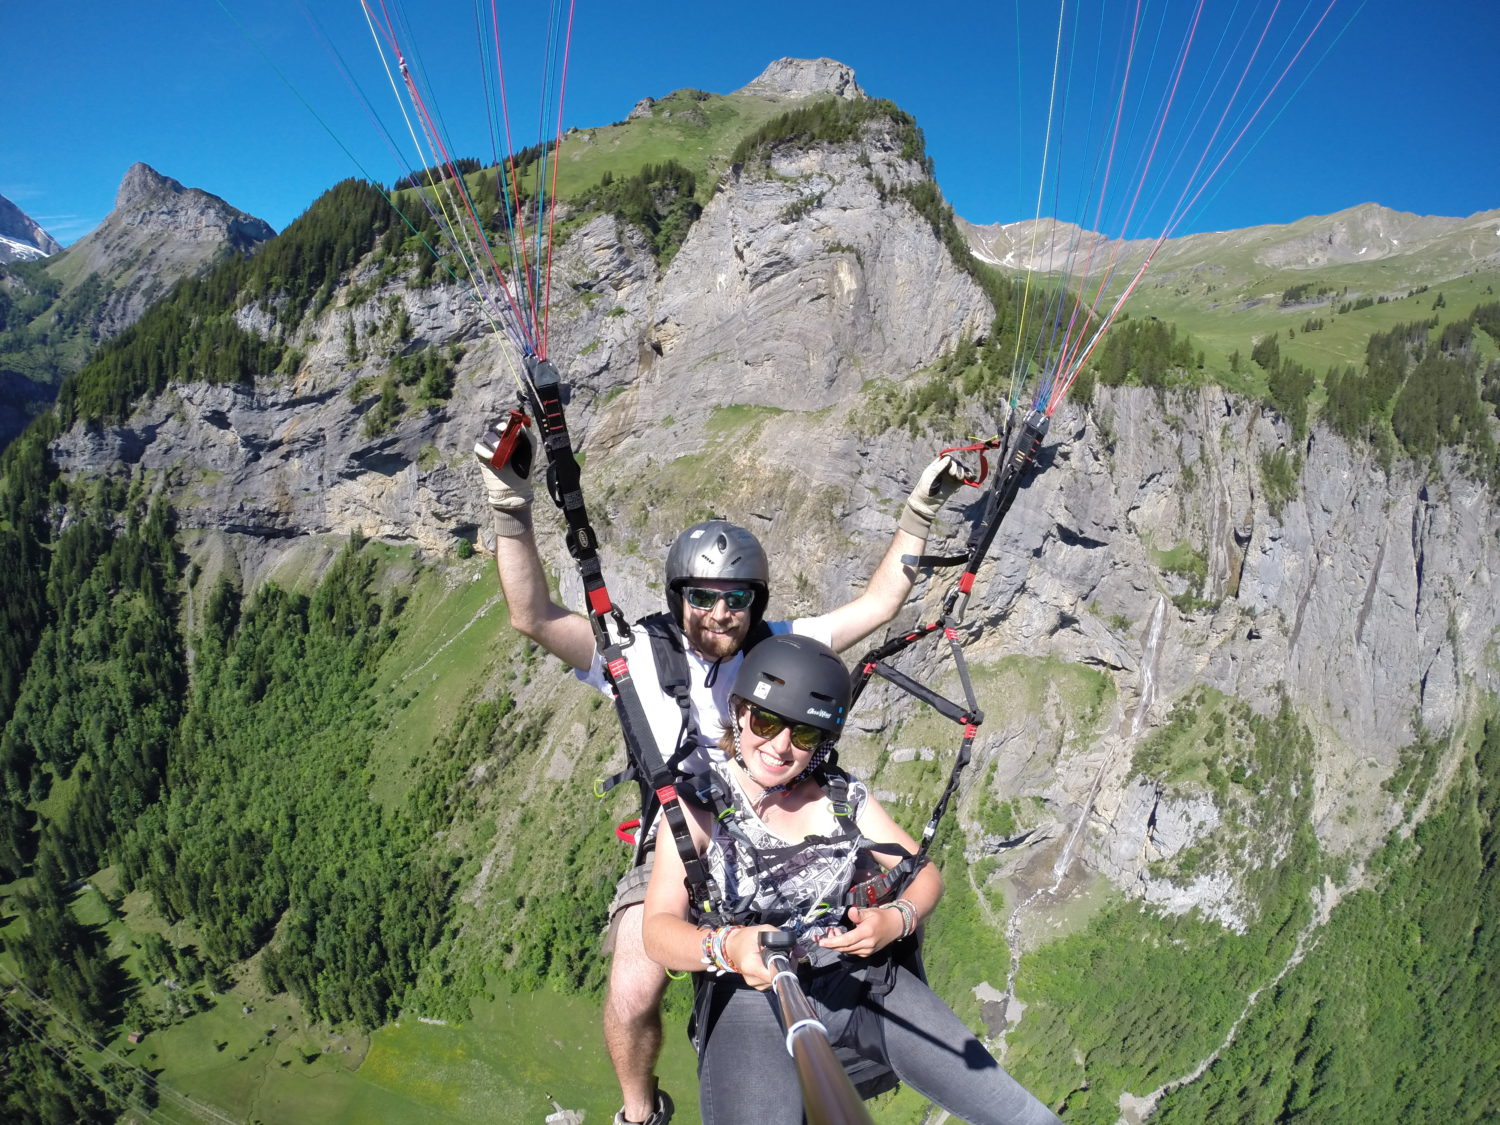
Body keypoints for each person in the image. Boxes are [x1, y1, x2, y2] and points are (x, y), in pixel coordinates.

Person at [476, 417, 967, 1125]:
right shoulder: (634, 654)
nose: (718, 613)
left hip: (785, 820)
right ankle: (641, 1110)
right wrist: (509, 505)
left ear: (755, 602)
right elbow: (532, 614)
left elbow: (879, 605)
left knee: (877, 910)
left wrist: (920, 512)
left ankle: (862, 1037)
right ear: (678, 595)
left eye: (735, 597)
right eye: (702, 596)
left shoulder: (781, 645)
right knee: (634, 983)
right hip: (686, 835)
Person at [641, 634, 1062, 1125]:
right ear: (738, 711)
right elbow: (658, 930)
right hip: (751, 995)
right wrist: (728, 947)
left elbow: (923, 873)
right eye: (767, 721)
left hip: (860, 978)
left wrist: (896, 920)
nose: (780, 747)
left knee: (1025, 1118)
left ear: (823, 743)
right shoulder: (698, 808)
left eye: (804, 735)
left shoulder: (844, 799)